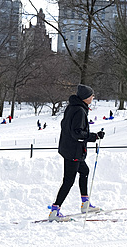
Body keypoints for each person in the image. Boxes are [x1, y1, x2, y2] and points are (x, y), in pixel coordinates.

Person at [49, 84, 105, 222]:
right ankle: (55, 211)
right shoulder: (79, 110)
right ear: (86, 98)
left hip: (70, 149)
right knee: (68, 181)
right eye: (92, 95)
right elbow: (77, 133)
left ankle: (85, 204)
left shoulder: (73, 107)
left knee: (84, 170)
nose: (93, 97)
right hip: (73, 151)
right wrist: (94, 136)